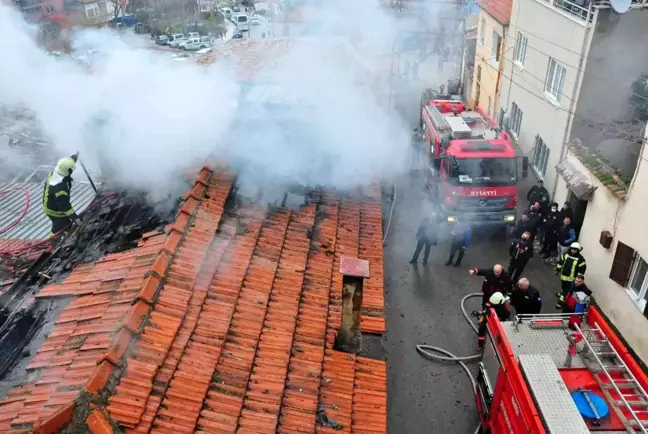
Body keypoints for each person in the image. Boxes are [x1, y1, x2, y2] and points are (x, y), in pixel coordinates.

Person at [42, 154, 81, 237]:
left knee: (66, 225)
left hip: (50, 202)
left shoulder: (56, 172)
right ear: (69, 171)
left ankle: (62, 235)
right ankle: (53, 241)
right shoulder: (60, 190)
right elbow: (65, 207)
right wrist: (75, 218)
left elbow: (67, 164)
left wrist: (75, 156)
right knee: (60, 225)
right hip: (54, 211)